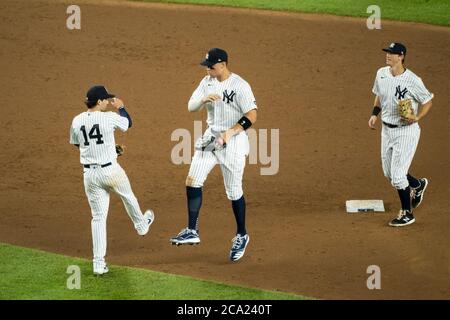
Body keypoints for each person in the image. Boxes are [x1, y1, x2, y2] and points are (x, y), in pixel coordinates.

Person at [170, 48, 258, 261]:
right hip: (211, 137)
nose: (207, 69)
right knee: (192, 180)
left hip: (234, 141)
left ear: (223, 64)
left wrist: (230, 133)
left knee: (233, 191)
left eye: (211, 66)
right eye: (206, 66)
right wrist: (203, 100)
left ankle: (241, 234)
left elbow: (252, 115)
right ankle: (192, 230)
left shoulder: (240, 86)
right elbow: (190, 107)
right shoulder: (206, 82)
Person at [70, 85, 154, 275]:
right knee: (128, 196)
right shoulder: (109, 117)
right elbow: (128, 124)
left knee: (98, 218)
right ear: (98, 102)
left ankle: (98, 264)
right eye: (106, 99)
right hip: (110, 171)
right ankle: (141, 225)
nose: (108, 101)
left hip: (90, 175)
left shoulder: (77, 120)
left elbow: (78, 143)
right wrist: (122, 107)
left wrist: (109, 149)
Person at [368, 43, 433, 227]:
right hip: (386, 130)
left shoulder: (413, 80)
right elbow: (379, 94)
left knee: (397, 176)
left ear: (401, 56)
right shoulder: (381, 73)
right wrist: (374, 114)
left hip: (406, 132)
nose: (388, 55)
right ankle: (418, 185)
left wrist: (417, 116)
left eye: (392, 53)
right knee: (389, 173)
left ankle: (407, 213)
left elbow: (427, 101)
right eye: (388, 52)